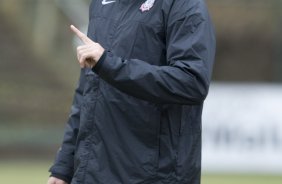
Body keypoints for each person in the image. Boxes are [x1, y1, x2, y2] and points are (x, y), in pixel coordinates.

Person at [47, 0, 215, 183]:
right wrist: (64, 167)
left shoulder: (182, 4)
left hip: (152, 175)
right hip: (93, 174)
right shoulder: (102, 3)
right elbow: (88, 91)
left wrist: (109, 65)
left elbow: (192, 81)